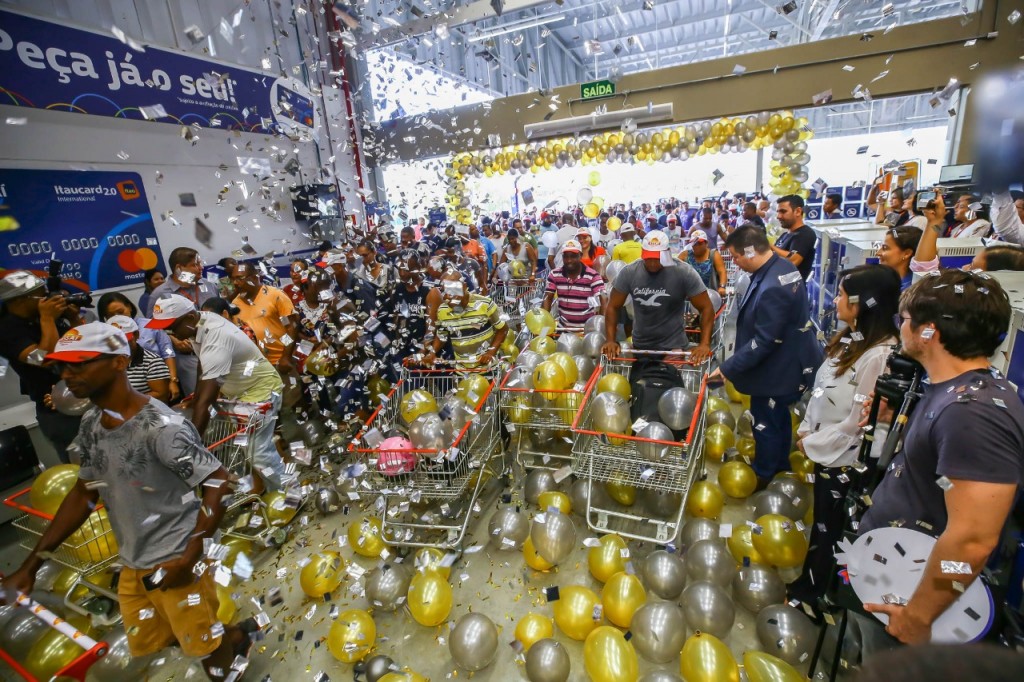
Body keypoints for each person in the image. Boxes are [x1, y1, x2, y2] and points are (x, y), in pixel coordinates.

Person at [0, 322, 258, 682]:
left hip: (176, 560)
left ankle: (230, 657)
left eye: (81, 363)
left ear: (119, 362)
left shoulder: (160, 426)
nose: (67, 375)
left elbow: (218, 483)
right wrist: (31, 564)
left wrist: (188, 558)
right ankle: (238, 634)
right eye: (62, 366)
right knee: (161, 638)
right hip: (134, 563)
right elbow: (84, 491)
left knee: (206, 651)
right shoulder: (92, 423)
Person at [858, 270, 1024, 646]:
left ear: (929, 331)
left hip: (914, 599)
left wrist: (918, 615)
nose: (900, 328)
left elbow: (973, 540)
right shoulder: (953, 391)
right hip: (899, 571)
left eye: (905, 321)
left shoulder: (973, 413)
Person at [787, 265, 901, 603]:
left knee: (831, 531)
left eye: (840, 294)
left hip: (844, 459)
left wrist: (813, 442)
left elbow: (859, 422)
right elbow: (824, 389)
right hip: (825, 448)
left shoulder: (879, 355)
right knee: (822, 524)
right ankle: (812, 582)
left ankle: (818, 592)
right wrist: (808, 427)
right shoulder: (851, 340)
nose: (834, 300)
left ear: (861, 303)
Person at [711, 225, 824, 487]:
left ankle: (765, 474)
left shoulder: (774, 286)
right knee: (778, 420)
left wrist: (728, 368)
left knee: (767, 423)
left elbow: (764, 341)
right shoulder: (781, 268)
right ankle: (779, 464)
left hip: (776, 371)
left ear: (749, 251)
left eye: (737, 257)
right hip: (782, 365)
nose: (736, 263)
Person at [147, 294, 287, 492]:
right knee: (250, 448)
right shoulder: (199, 323)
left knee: (259, 452)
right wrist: (195, 398)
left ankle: (290, 495)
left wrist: (193, 442)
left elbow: (208, 397)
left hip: (259, 392)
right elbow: (203, 367)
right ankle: (270, 489)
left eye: (171, 326)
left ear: (188, 318)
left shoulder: (216, 338)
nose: (167, 332)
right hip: (240, 393)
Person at [0, 271, 84, 462]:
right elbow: (44, 359)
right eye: (41, 295)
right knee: (80, 464)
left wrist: (74, 320)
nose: (47, 299)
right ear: (20, 300)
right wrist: (47, 319)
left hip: (81, 396)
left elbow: (78, 346)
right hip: (57, 411)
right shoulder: (7, 329)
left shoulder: (42, 317)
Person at [602, 230, 715, 364]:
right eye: (649, 258)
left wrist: (704, 343)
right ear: (643, 252)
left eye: (658, 258)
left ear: (667, 252)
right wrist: (610, 340)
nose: (652, 263)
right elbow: (613, 306)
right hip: (641, 346)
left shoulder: (684, 272)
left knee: (671, 384)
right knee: (639, 383)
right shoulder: (629, 272)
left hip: (674, 347)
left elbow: (706, 307)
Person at [145, 247, 216, 395]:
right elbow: (152, 329)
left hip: (217, 349)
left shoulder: (209, 286)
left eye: (200, 263)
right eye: (195, 265)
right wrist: (173, 340)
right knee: (200, 398)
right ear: (179, 268)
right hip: (188, 358)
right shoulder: (159, 294)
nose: (200, 268)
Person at [97, 291, 180, 402]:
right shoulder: (107, 334)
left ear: (129, 307)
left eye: (121, 312)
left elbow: (168, 351)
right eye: (112, 315)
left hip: (157, 377)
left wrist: (173, 380)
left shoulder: (151, 325)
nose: (118, 317)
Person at [426, 271, 508, 369]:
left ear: (464, 287)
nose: (447, 297)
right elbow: (442, 334)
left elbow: (503, 329)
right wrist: (432, 352)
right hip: (462, 370)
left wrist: (491, 352)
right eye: (444, 292)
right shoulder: (443, 310)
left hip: (488, 368)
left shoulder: (485, 304)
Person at [230, 261, 299, 375]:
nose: (236, 283)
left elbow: (292, 327)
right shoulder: (235, 303)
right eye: (233, 279)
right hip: (255, 368)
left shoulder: (275, 295)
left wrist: (285, 357)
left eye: (240, 278)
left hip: (279, 362)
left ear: (254, 277)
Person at [105, 315, 172, 403]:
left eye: (124, 340)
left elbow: (161, 395)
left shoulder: (152, 361)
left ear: (136, 335)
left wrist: (124, 400)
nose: (120, 345)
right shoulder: (105, 361)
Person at [542, 239, 605, 328]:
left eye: (573, 256)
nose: (569, 260)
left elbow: (603, 298)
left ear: (580, 256)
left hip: (587, 330)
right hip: (563, 329)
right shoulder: (554, 274)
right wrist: (544, 325)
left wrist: (600, 325)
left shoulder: (593, 276)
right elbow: (547, 298)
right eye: (566, 257)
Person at [772, 194, 817, 282]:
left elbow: (793, 261)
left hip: (790, 290)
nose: (778, 216)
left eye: (783, 211)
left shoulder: (805, 234)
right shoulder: (785, 235)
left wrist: (769, 246)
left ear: (798, 211)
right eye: (778, 212)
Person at [680, 230, 727, 298]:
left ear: (706, 243)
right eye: (694, 243)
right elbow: (675, 269)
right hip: (689, 297)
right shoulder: (685, 255)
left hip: (711, 296)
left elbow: (722, 271)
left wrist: (722, 287)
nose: (697, 246)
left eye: (700, 243)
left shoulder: (713, 254)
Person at [875, 226, 922, 291]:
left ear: (906, 254)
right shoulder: (880, 280)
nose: (877, 253)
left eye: (885, 248)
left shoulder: (910, 292)